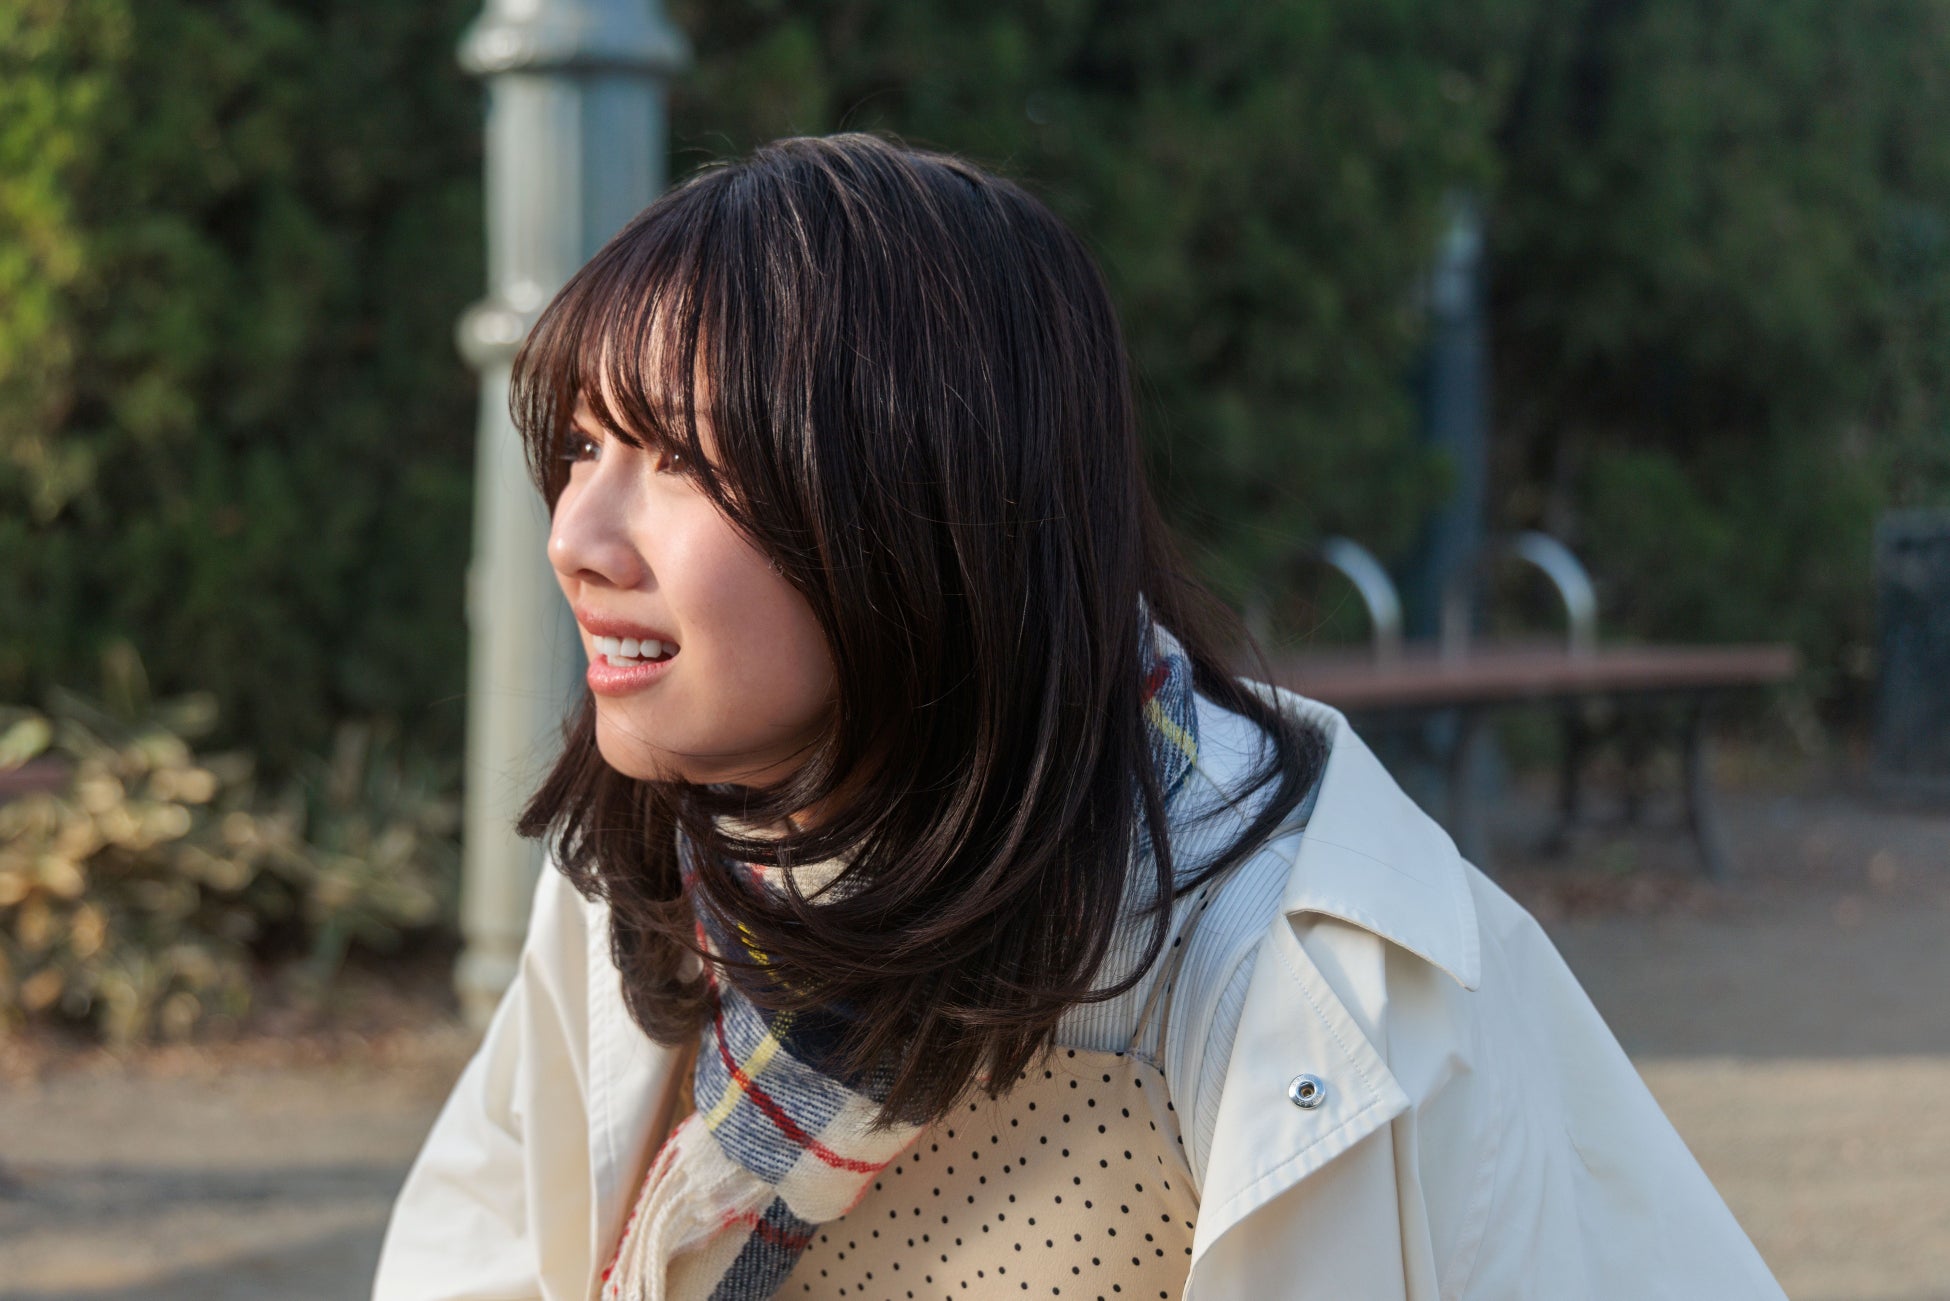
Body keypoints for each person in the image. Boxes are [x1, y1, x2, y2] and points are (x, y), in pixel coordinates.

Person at [373, 133, 1783, 1300]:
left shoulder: (1319, 965)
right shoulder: (648, 875)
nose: (575, 536)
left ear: (920, 495)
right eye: (582, 447)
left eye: (679, 457)